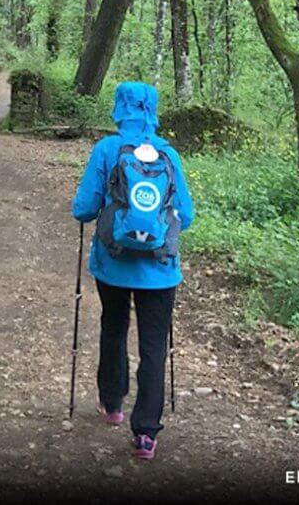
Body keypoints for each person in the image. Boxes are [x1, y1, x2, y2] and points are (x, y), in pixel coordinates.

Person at [71, 82, 194, 460]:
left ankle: (112, 404)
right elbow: (186, 215)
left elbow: (83, 208)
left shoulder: (107, 149)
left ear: (119, 108)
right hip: (160, 269)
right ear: (153, 111)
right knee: (154, 346)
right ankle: (145, 433)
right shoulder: (169, 154)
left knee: (114, 326)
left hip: (113, 264)